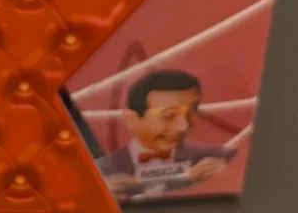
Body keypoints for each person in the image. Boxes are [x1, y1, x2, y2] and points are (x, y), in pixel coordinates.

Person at [97, 68, 235, 200]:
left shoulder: (221, 157)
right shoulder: (100, 171)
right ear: (131, 119)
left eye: (191, 112)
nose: (183, 127)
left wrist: (226, 176)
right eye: (168, 116)